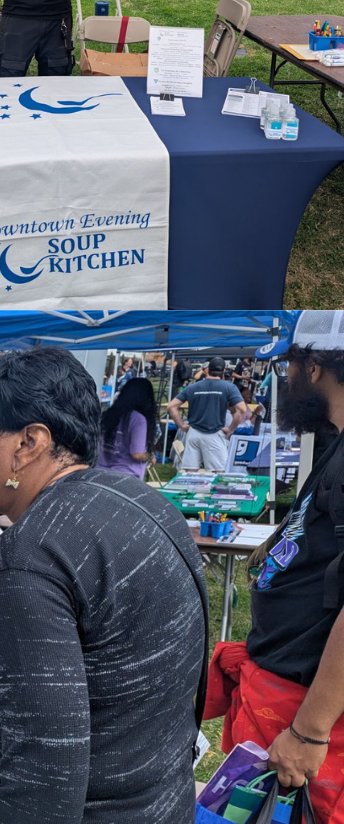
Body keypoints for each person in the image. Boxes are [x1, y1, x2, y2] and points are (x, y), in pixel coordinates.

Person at [0, 347, 207, 823]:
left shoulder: (26, 562)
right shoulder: (142, 499)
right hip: (163, 798)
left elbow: (42, 781)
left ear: (28, 444)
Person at [207, 312, 344, 822]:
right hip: (281, 695)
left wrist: (310, 730)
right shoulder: (334, 445)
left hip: (308, 715)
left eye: (287, 366)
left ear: (313, 367)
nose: (282, 381)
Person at [167, 356, 247, 472]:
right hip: (214, 433)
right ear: (223, 371)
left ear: (207, 369)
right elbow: (242, 410)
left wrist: (182, 425)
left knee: (190, 474)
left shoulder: (193, 387)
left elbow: (171, 406)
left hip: (193, 433)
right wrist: (230, 429)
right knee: (218, 473)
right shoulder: (229, 387)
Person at [97, 376, 158, 480]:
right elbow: (137, 454)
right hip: (125, 477)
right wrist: (150, 457)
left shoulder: (108, 414)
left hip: (100, 473)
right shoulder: (138, 419)